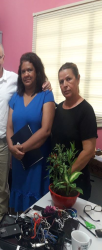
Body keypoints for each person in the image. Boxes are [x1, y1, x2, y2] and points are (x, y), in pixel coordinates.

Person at [0, 43, 51, 224]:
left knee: (3, 187)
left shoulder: (15, 79)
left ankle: (0, 221)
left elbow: (34, 84)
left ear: (4, 58)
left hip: (7, 144)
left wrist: (47, 83)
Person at [6, 52, 55, 212]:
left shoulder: (46, 95)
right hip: (19, 160)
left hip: (37, 160)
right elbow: (9, 127)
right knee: (19, 205)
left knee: (37, 207)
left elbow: (46, 130)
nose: (26, 74)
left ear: (37, 71)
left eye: (30, 70)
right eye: (23, 71)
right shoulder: (15, 97)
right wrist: (11, 147)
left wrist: (22, 148)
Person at [51, 62, 97, 200]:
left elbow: (88, 151)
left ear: (78, 79)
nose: (65, 84)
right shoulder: (58, 110)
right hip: (57, 179)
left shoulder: (86, 111)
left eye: (69, 79)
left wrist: (67, 176)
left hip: (76, 183)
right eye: (61, 81)